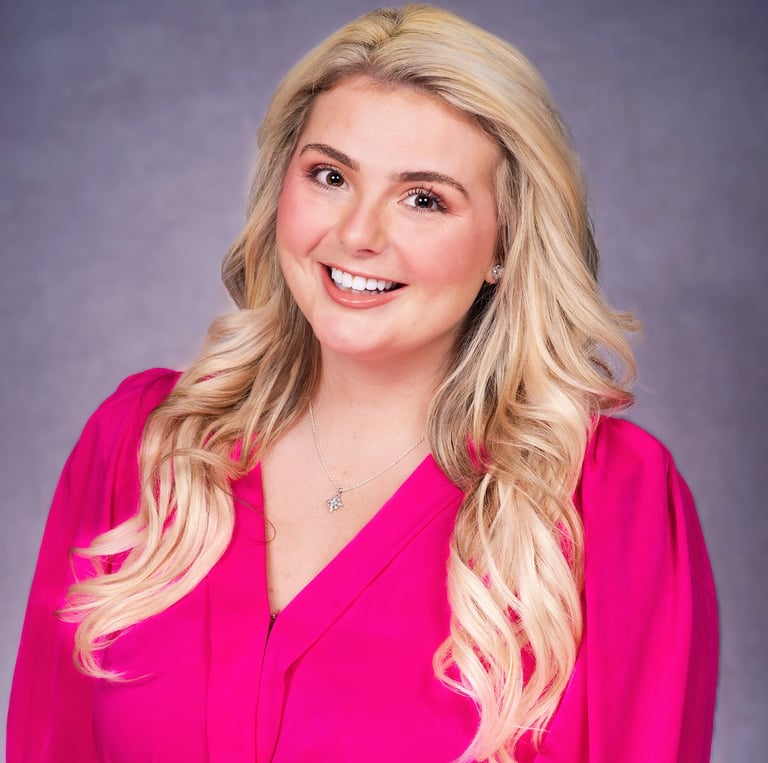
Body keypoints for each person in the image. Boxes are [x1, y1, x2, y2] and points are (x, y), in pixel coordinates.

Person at [7, 5, 718, 762]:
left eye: (424, 198)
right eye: (330, 175)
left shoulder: (610, 500)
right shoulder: (140, 447)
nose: (357, 234)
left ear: (504, 246)